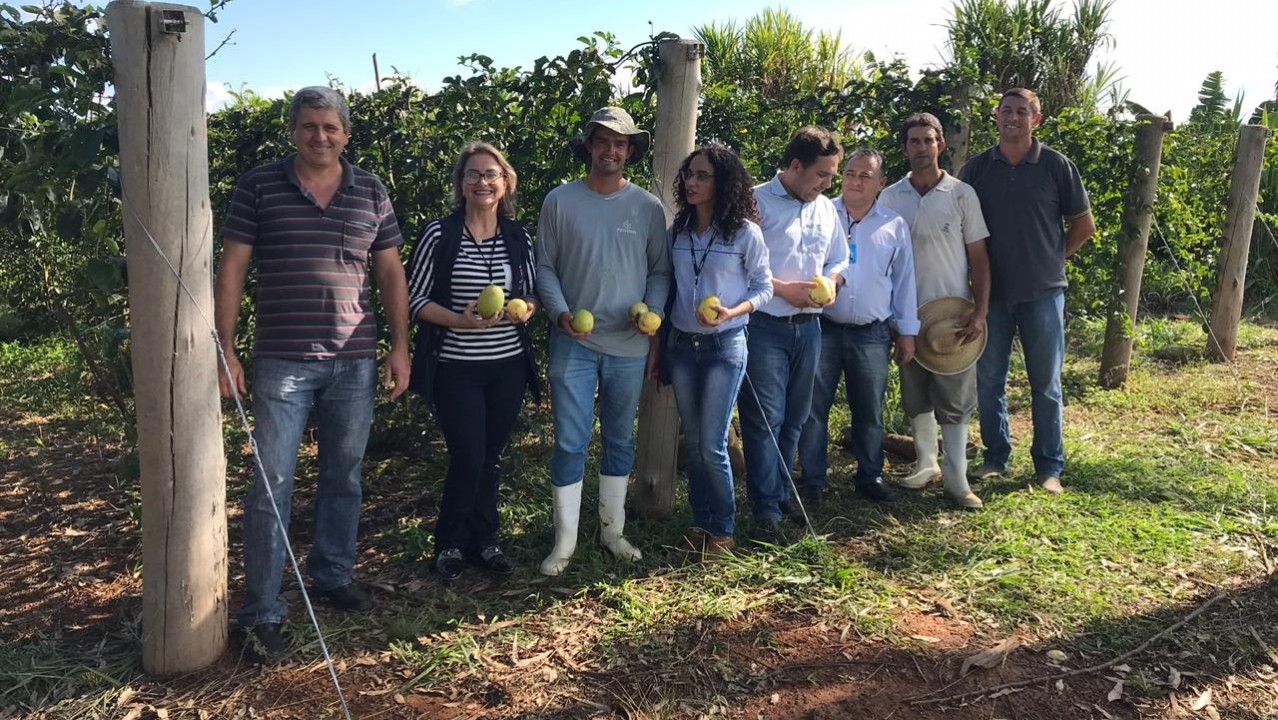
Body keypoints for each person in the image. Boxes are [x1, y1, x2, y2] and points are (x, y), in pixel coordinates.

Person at [214, 86, 410, 659]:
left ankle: (331, 574)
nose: (319, 136)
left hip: (354, 361)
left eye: (330, 127)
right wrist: (226, 349)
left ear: (346, 133)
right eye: (308, 126)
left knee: (343, 476)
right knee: (271, 485)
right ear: (293, 131)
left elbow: (391, 273)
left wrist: (400, 347)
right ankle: (263, 609)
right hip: (283, 361)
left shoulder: (369, 190)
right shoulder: (259, 186)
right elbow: (232, 268)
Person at [535, 107, 671, 576]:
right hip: (574, 342)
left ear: (630, 151)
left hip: (629, 345)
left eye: (621, 143)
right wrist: (560, 313)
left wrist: (652, 314)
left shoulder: (647, 208)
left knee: (619, 438)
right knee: (570, 441)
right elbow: (546, 266)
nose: (611, 150)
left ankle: (612, 530)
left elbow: (660, 270)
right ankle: (565, 541)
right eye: (602, 141)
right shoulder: (560, 201)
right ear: (589, 146)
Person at [404, 142, 540, 580]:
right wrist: (457, 322)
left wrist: (526, 308)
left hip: (507, 366)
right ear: (461, 184)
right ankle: (450, 543)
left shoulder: (518, 236)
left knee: (492, 455)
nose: (482, 182)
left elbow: (532, 292)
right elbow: (414, 298)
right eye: (473, 175)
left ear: (505, 184)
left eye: (491, 174)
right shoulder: (439, 235)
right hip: (456, 366)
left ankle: (486, 541)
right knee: (467, 453)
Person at [960, 88, 1095, 495]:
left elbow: (1083, 225)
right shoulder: (977, 169)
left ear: (1036, 120)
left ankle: (1049, 466)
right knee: (989, 380)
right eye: (1006, 111)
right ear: (996, 118)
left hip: (1043, 293)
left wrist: (1053, 260)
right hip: (991, 296)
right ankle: (996, 458)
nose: (1013, 118)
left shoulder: (1056, 166)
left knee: (1046, 383)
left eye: (1022, 112)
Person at [741, 126, 850, 544]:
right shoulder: (755, 201)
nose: (828, 184)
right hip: (765, 326)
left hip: (809, 330)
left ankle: (781, 493)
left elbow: (841, 255)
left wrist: (836, 280)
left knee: (795, 419)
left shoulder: (825, 208)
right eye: (823, 175)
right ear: (797, 166)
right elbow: (738, 260)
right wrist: (782, 288)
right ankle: (766, 511)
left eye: (832, 176)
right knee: (765, 420)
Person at [664, 144, 772, 559]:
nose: (692, 182)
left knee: (711, 443)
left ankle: (723, 532)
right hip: (682, 345)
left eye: (703, 175)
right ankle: (701, 524)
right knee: (693, 443)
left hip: (725, 346)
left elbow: (763, 288)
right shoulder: (680, 230)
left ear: (723, 182)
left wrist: (732, 311)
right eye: (689, 174)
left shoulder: (745, 232)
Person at [878, 112, 989, 509]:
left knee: (955, 400)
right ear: (905, 148)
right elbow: (883, 259)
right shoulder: (891, 197)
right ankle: (927, 463)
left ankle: (957, 479)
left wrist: (980, 310)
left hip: (953, 315)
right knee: (915, 395)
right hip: (908, 315)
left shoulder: (961, 195)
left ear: (941, 144)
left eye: (929, 140)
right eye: (914, 141)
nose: (922, 148)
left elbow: (979, 258)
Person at [797, 149, 917, 505]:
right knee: (813, 409)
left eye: (866, 176)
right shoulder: (820, 212)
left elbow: (905, 281)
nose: (855, 181)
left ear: (881, 183)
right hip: (825, 327)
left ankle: (870, 475)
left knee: (869, 409)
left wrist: (907, 331)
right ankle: (813, 480)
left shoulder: (893, 225)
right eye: (849, 173)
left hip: (872, 333)